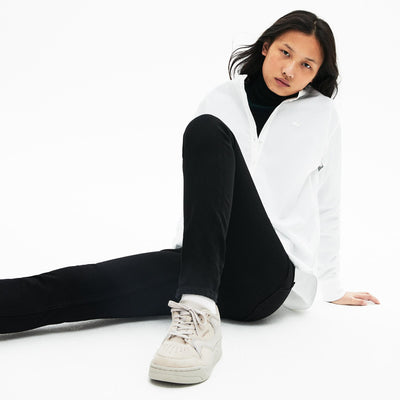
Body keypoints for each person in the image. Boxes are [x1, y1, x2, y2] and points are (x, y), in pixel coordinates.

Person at [0, 9, 380, 385]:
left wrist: (332, 285)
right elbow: (204, 189)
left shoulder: (322, 115)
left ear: (317, 73)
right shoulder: (222, 99)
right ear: (266, 47)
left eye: (306, 65)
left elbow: (328, 201)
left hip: (266, 277)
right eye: (285, 53)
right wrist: (193, 258)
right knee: (88, 284)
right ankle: (197, 298)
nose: (290, 70)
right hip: (204, 265)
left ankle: (199, 318)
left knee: (208, 131)